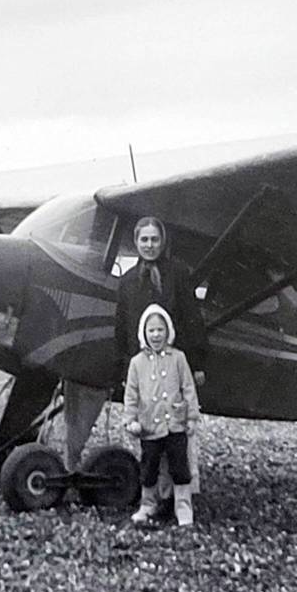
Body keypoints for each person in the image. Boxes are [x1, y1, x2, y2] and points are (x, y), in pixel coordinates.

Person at [124, 304, 200, 526]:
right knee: (149, 468)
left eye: (160, 330)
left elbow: (188, 388)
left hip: (175, 424)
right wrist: (131, 421)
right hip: (149, 427)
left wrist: (192, 418)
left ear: (168, 331)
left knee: (180, 467)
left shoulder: (178, 358)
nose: (156, 335)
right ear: (143, 333)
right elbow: (131, 394)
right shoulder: (136, 363)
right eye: (151, 330)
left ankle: (183, 508)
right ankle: (147, 505)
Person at [115, 216, 207, 386]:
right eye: (144, 239)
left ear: (162, 241)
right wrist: (125, 370)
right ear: (136, 241)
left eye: (154, 240)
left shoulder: (178, 273)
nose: (149, 245)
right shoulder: (127, 280)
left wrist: (196, 365)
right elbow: (122, 327)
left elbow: (192, 318)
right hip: (141, 367)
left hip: (174, 365)